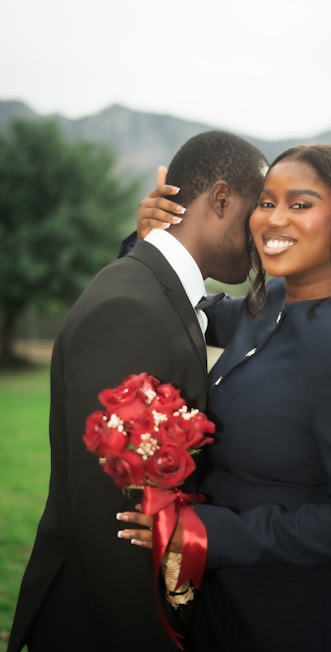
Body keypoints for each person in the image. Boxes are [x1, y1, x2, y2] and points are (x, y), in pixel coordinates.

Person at [117, 143, 331, 651]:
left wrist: (209, 532)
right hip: (225, 610)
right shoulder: (269, 305)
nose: (273, 219)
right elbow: (179, 306)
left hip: (299, 621)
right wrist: (148, 243)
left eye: (299, 204)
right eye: (265, 202)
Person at [7, 130, 268, 652]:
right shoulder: (130, 308)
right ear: (220, 199)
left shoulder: (157, 291)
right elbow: (111, 518)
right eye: (257, 207)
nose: (264, 228)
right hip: (101, 624)